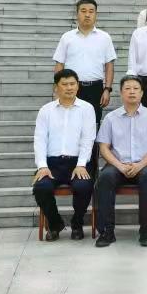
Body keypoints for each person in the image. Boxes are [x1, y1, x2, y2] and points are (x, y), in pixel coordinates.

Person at [94, 75, 147, 247]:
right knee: (105, 178)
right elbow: (104, 147)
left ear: (142, 93)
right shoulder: (111, 118)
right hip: (117, 164)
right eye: (127, 88)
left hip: (145, 164)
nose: (132, 92)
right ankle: (106, 232)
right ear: (121, 93)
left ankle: (146, 232)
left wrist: (140, 165)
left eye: (136, 88)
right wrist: (119, 165)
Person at [32, 69, 96, 242]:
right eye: (65, 84)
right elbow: (40, 139)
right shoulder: (46, 110)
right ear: (56, 87)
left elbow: (88, 139)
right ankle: (55, 224)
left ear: (78, 86)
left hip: (77, 163)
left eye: (72, 84)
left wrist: (81, 164)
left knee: (83, 186)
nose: (69, 88)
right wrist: (42, 166)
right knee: (41, 187)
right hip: (52, 164)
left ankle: (77, 223)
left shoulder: (87, 109)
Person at [53, 0, 116, 129]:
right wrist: (57, 89)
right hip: (71, 88)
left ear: (96, 14)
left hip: (95, 89)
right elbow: (59, 64)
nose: (87, 15)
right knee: (70, 124)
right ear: (77, 14)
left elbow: (109, 65)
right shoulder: (67, 37)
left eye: (91, 11)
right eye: (83, 11)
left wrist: (107, 89)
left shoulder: (104, 37)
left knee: (92, 124)